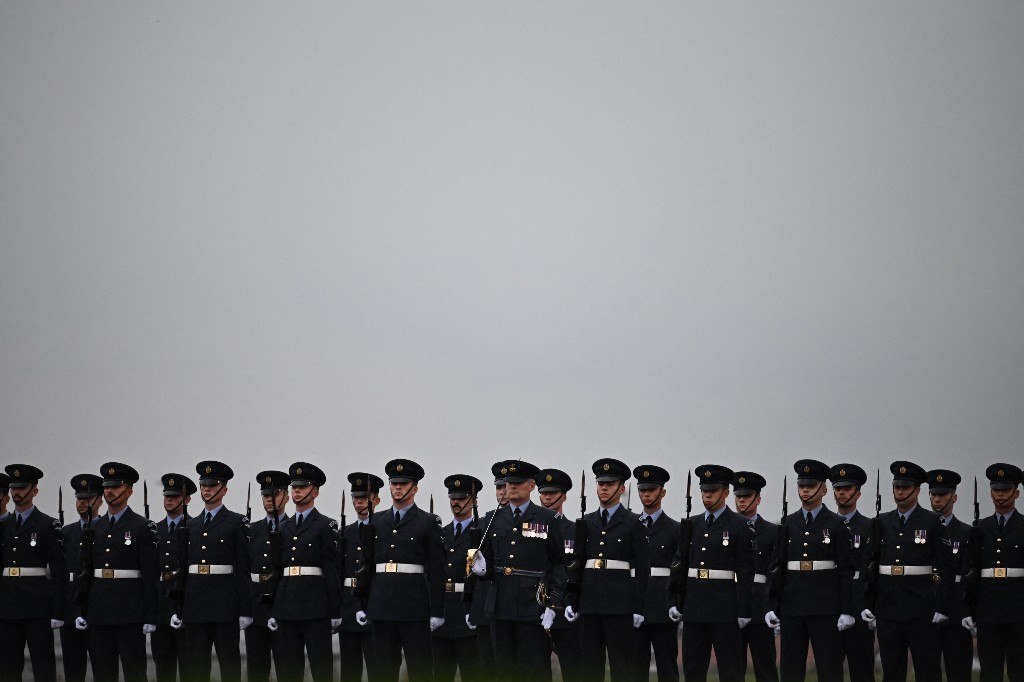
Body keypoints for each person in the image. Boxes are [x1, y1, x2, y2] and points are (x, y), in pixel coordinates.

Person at [471, 459, 567, 682]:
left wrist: (554, 603)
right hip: (500, 602)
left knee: (534, 668)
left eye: (518, 482)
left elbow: (557, 564)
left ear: (532, 485)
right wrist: (481, 569)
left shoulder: (547, 519)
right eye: (508, 483)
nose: (511, 487)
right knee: (504, 668)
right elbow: (484, 562)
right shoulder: (492, 519)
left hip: (532, 603)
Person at [861, 461, 953, 682]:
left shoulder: (932, 522)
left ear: (917, 490)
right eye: (896, 487)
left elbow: (946, 566)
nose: (899, 492)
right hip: (888, 607)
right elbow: (870, 564)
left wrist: (942, 604)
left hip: (921, 608)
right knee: (892, 669)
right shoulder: (881, 521)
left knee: (927, 668)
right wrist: (869, 602)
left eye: (904, 487)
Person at [766, 459, 855, 682]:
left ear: (824, 489)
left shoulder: (836, 524)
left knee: (829, 667)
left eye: (811, 485)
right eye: (802, 485)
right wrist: (773, 606)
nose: (805, 490)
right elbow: (777, 569)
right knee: (791, 668)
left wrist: (846, 609)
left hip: (825, 606)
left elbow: (845, 570)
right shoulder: (787, 524)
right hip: (792, 605)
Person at [669, 464, 752, 682]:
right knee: (693, 668)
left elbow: (745, 570)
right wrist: (675, 600)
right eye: (704, 491)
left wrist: (743, 609)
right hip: (694, 606)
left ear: (725, 492)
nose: (707, 496)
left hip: (724, 607)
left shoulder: (739, 525)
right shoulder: (691, 524)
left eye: (712, 491)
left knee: (730, 668)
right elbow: (680, 565)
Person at [171, 460, 252, 682]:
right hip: (195, 605)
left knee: (229, 666)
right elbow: (183, 571)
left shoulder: (236, 522)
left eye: (212, 485)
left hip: (225, 606)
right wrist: (179, 607)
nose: (207, 489)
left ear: (224, 489)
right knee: (196, 666)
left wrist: (245, 609)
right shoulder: (190, 525)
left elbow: (243, 568)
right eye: (203, 485)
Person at [365, 458, 446, 682]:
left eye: (403, 483)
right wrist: (364, 604)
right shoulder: (377, 521)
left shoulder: (428, 522)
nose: (398, 488)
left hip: (414, 607)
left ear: (415, 488)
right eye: (394, 483)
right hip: (381, 605)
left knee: (420, 669)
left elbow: (438, 570)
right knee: (382, 670)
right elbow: (367, 566)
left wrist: (438, 611)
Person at [77, 462, 159, 682]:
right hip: (99, 612)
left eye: (116, 486)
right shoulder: (94, 528)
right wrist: (82, 609)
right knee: (103, 673)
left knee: (135, 672)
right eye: (106, 486)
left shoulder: (142, 527)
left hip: (129, 613)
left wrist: (150, 615)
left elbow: (150, 575)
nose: (109, 491)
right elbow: (86, 573)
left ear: (129, 491)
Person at [571, 458, 650, 682]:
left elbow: (643, 569)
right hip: (590, 604)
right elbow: (577, 565)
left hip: (620, 606)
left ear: (622, 488)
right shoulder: (586, 522)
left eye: (610, 484)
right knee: (589, 666)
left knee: (622, 666)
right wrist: (572, 600)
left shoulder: (634, 523)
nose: (604, 488)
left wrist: (639, 607)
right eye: (600, 484)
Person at [268, 462, 341, 682]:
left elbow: (331, 570)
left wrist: (335, 611)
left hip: (315, 606)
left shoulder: (326, 525)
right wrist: (273, 607)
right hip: (286, 605)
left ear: (315, 491)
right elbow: (276, 570)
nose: (297, 491)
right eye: (294, 487)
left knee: (321, 666)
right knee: (288, 668)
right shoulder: (283, 528)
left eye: (303, 486)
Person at [0, 464, 68, 682]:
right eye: (13, 488)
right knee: (8, 667)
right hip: (7, 607)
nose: (16, 492)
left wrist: (57, 611)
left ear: (34, 491)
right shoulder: (4, 525)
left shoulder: (48, 525)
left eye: (22, 488)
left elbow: (59, 572)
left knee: (43, 665)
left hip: (37, 606)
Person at [964, 463, 1024, 682]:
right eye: (996, 490)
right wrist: (970, 608)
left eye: (1006, 490)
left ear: (1016, 493)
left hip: (1019, 609)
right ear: (990, 492)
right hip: (988, 609)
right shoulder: (980, 528)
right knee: (990, 669)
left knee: (1019, 668)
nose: (1000, 495)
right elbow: (972, 571)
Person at [432, 474, 483, 682]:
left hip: (467, 613)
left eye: (462, 498)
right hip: (443, 613)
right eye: (453, 498)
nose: (456, 502)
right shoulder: (439, 533)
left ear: (474, 500)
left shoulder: (480, 532)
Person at [632, 464, 681, 682]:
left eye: (651, 490)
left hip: (663, 606)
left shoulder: (675, 529)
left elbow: (678, 570)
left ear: (662, 492)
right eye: (642, 490)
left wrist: (676, 602)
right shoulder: (629, 525)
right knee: (635, 667)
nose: (646, 494)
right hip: (634, 606)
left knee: (667, 666)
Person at [534, 467, 583, 682]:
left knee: (573, 669)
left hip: (565, 610)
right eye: (543, 493)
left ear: (563, 496)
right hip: (535, 608)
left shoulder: (575, 530)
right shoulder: (530, 527)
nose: (547, 497)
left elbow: (575, 569)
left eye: (552, 493)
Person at [829, 464, 875, 682]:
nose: (842, 493)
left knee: (862, 669)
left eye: (847, 489)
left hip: (859, 604)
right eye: (838, 489)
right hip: (830, 603)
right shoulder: (825, 525)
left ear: (857, 493)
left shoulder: (869, 527)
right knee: (828, 669)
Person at [926, 469, 972, 682]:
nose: (937, 499)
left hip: (955, 611)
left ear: (954, 497)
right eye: (933, 494)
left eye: (942, 495)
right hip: (925, 608)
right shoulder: (921, 529)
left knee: (958, 670)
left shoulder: (966, 533)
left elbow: (968, 576)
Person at [733, 471, 778, 682]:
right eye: (738, 496)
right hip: (731, 605)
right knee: (733, 667)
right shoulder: (726, 528)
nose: (741, 500)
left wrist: (774, 606)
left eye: (747, 496)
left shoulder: (771, 532)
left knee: (765, 666)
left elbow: (775, 573)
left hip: (761, 607)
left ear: (758, 499)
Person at [151, 473, 196, 682]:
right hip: (161, 608)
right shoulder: (154, 530)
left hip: (187, 605)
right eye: (167, 496)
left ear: (186, 499)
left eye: (175, 496)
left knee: (190, 667)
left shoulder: (195, 529)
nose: (169, 500)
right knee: (163, 669)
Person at [246, 470, 290, 682]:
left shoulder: (293, 529)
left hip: (284, 606)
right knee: (256, 669)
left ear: (287, 497)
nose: (270, 499)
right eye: (265, 495)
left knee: (286, 667)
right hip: (256, 608)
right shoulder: (251, 530)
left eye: (276, 493)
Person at [338, 472, 383, 682]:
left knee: (377, 667)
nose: (358, 503)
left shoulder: (383, 530)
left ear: (376, 499)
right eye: (356, 498)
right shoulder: (345, 533)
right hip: (349, 606)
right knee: (349, 670)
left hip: (374, 605)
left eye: (363, 498)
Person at [465, 462, 507, 681]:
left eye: (507, 487)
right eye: (499, 488)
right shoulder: (484, 522)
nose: (503, 492)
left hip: (513, 603)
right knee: (487, 668)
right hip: (485, 603)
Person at [60, 474, 104, 682]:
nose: (83, 503)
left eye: (88, 499)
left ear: (100, 500)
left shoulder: (107, 530)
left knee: (103, 669)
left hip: (98, 611)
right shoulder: (66, 533)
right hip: (71, 611)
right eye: (80, 499)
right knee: (72, 671)